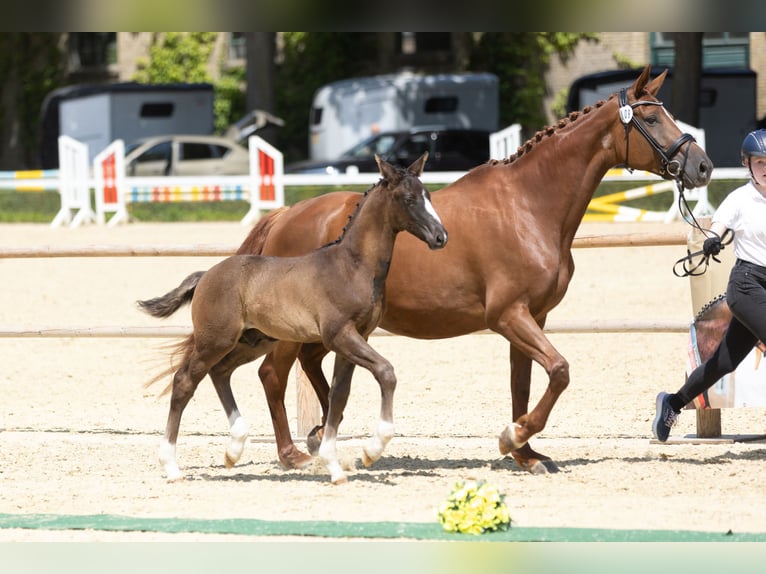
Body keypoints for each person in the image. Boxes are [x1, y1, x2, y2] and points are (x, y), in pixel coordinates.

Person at [653, 128, 766, 441]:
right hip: (747, 286)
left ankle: (671, 403)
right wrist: (713, 239)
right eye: (760, 163)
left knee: (723, 364)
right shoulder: (740, 199)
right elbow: (719, 224)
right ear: (748, 165)